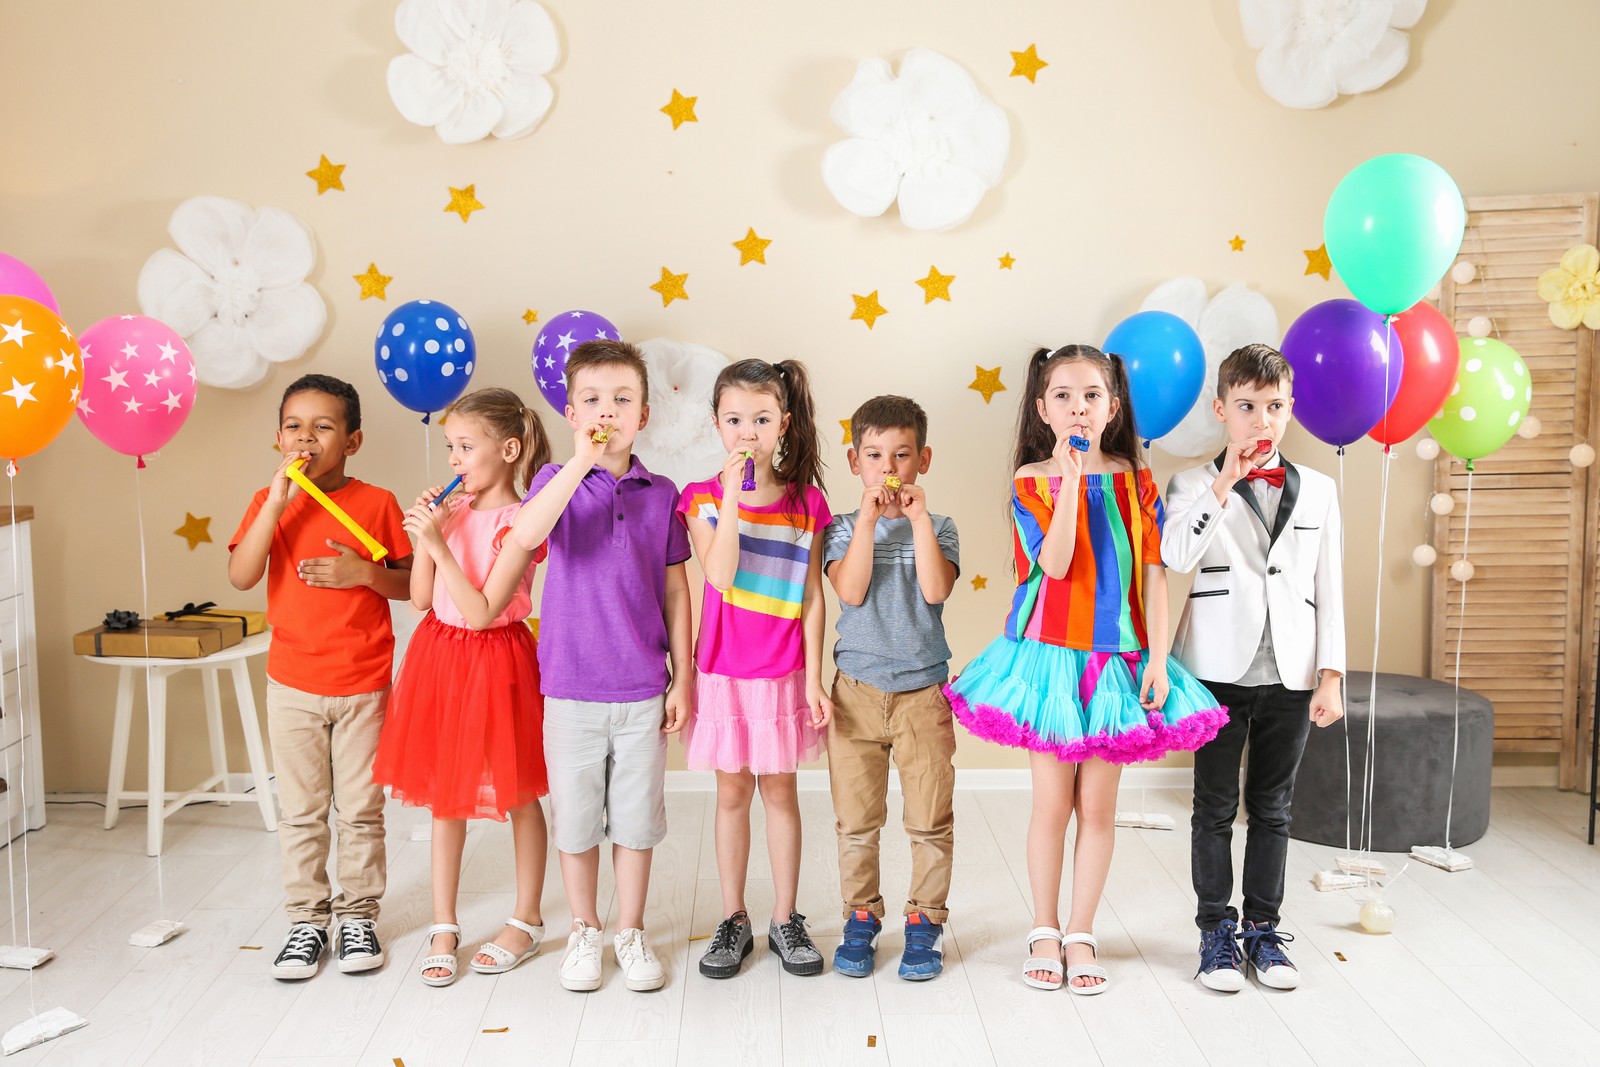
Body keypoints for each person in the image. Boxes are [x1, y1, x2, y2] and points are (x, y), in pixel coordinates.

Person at [946, 345, 1226, 994]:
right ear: (1043, 409)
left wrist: (1158, 656)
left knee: (1098, 807)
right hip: (1048, 655)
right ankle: (1043, 926)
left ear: (1113, 407)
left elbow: (1155, 571)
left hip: (1120, 656)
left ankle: (1080, 930)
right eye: (1064, 395)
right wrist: (1072, 477)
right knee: (1052, 804)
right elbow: (1058, 562)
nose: (1079, 406)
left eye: (1092, 395)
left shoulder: (1136, 476)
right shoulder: (1030, 478)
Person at [509, 339, 693, 993]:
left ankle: (630, 929)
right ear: (570, 409)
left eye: (622, 399)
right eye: (592, 399)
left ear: (643, 414)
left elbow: (676, 589)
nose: (607, 411)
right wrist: (581, 461)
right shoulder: (551, 482)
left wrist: (684, 676)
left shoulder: (661, 491)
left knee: (638, 817)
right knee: (578, 816)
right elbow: (528, 536)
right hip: (570, 683)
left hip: (642, 684)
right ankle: (584, 927)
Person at [1162, 343, 1345, 993]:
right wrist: (1223, 484)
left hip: (1291, 675)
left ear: (1290, 409)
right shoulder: (1190, 484)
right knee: (1213, 806)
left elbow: (1331, 584)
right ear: (1221, 410)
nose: (1260, 420)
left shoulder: (1319, 489)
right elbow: (1176, 551)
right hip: (1214, 671)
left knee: (1273, 806)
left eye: (1273, 406)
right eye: (1246, 407)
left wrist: (1332, 671)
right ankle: (1216, 930)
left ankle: (1263, 930)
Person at [228, 374, 412, 980]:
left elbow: (412, 587)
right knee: (302, 811)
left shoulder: (378, 502)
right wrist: (277, 503)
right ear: (277, 436)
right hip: (292, 686)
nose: (305, 438)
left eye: (323, 427)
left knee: (360, 810)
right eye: (293, 426)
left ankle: (357, 916)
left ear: (352, 441)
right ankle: (307, 922)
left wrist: (365, 574)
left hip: (363, 683)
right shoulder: (268, 500)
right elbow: (241, 575)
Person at [373, 387, 553, 987]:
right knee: (445, 795)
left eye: (465, 446)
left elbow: (481, 612)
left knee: (518, 791)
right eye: (450, 447)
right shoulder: (455, 513)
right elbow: (424, 600)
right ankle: (443, 923)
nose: (454, 459)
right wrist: (431, 537)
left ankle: (526, 917)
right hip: (439, 659)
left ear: (507, 449)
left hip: (496, 659)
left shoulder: (521, 521)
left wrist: (436, 543)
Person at [677, 358, 833, 979]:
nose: (748, 433)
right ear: (716, 425)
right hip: (721, 671)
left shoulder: (809, 504)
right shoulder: (701, 500)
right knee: (731, 794)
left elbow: (814, 596)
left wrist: (815, 677)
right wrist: (734, 498)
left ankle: (786, 916)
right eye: (736, 420)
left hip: (783, 673)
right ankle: (734, 917)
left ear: (784, 426)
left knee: (781, 793)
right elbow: (717, 573)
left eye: (762, 420)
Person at [822, 394, 959, 981]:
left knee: (928, 818)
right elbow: (849, 592)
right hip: (854, 691)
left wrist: (919, 520)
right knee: (857, 820)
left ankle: (925, 922)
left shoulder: (942, 526)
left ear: (922, 460)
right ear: (855, 462)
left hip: (923, 694)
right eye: (874, 455)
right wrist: (870, 521)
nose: (889, 468)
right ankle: (861, 916)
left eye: (902, 455)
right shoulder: (842, 528)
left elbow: (935, 590)